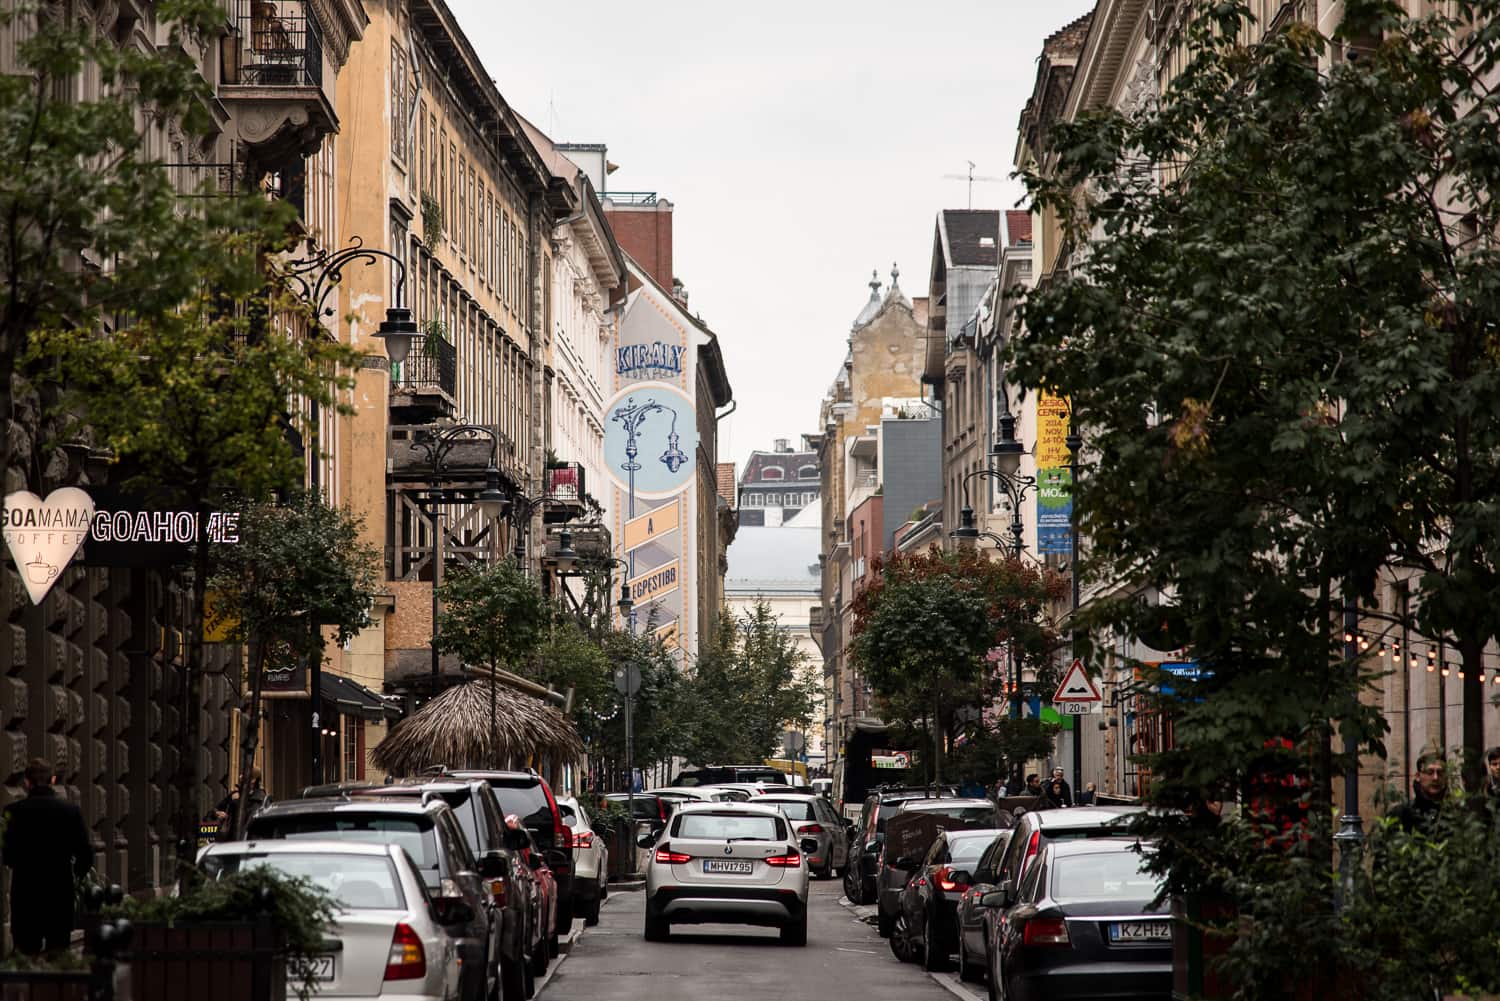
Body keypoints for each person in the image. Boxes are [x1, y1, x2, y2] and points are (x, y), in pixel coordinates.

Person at [2, 759, 94, 954]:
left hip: (26, 895)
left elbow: (7, 855)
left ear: (27, 782)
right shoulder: (70, 812)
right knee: (58, 958)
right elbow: (85, 855)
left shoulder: (13, 812)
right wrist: (74, 874)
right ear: (52, 780)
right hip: (59, 893)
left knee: (26, 956)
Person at [1389, 750, 1446, 834]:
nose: (1435, 778)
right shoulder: (1401, 814)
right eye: (1429, 772)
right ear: (1418, 776)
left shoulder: (1456, 814)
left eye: (1440, 773)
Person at [214, 767, 269, 841]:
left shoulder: (261, 799)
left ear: (253, 780)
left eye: (243, 774)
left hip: (249, 841)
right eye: (241, 774)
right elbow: (216, 809)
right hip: (229, 841)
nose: (240, 776)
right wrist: (218, 813)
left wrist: (237, 802)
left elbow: (249, 820)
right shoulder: (235, 794)